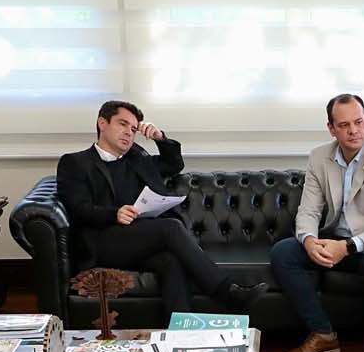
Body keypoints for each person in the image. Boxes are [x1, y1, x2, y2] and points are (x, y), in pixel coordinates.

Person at [55, 99, 265, 315]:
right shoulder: (75, 162)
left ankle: (180, 329)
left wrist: (160, 139)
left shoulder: (136, 158)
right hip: (103, 240)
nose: (128, 132)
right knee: (171, 227)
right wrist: (114, 214)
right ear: (102, 123)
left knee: (170, 261)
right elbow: (77, 207)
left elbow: (174, 164)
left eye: (133, 129)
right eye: (122, 124)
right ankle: (227, 292)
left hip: (139, 238)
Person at [270, 93, 364, 352]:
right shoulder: (319, 157)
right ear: (331, 128)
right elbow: (309, 211)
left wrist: (347, 246)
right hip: (337, 240)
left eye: (359, 122)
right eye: (344, 125)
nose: (353, 130)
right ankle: (323, 334)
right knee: (283, 252)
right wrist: (309, 241)